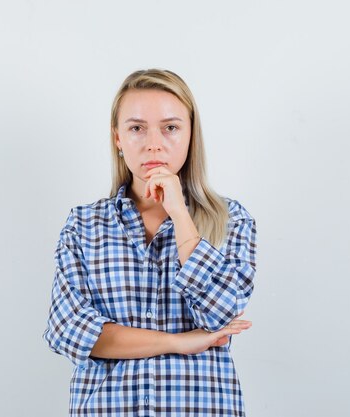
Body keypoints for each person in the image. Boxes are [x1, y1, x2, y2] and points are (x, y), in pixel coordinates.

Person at [41, 68, 257, 416]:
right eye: (137, 128)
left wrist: (180, 213)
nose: (154, 143)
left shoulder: (232, 220)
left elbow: (219, 314)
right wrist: (179, 342)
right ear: (118, 138)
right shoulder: (84, 226)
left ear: (190, 134)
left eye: (170, 127)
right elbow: (68, 331)